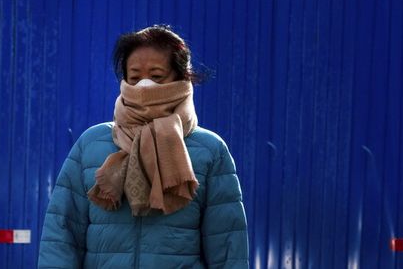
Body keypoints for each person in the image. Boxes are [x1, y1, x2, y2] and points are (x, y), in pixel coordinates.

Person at [38, 25, 249, 268]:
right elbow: (61, 233)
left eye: (157, 76)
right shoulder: (91, 143)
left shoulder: (209, 150)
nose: (144, 86)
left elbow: (227, 245)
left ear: (181, 78)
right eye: (135, 77)